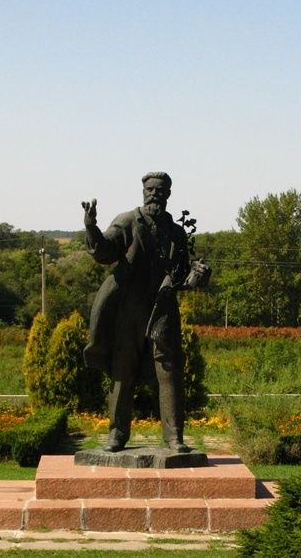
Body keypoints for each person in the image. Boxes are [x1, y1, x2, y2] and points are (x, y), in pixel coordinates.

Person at [81, 172, 209, 453]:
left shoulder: (176, 231)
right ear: (143, 191)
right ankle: (117, 434)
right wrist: (91, 228)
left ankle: (174, 437)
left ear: (169, 194)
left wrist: (197, 276)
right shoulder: (128, 221)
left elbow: (181, 276)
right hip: (129, 309)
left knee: (169, 370)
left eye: (161, 191)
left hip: (163, 310)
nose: (155, 195)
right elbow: (104, 252)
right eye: (151, 189)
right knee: (122, 370)